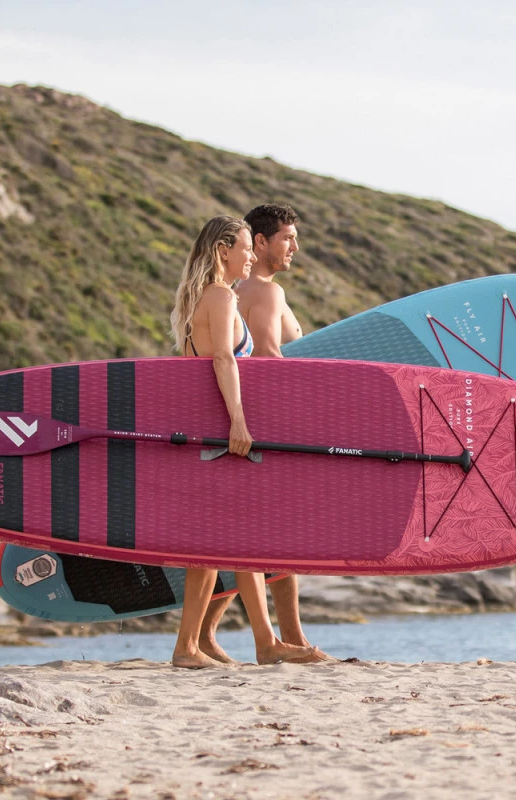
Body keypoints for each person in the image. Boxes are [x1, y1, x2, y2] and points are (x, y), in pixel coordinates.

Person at [168, 214, 316, 669]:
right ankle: (192, 648)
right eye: (245, 248)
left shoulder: (202, 297)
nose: (251, 256)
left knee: (229, 542)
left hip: (208, 430)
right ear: (222, 251)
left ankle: (249, 643)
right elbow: (223, 361)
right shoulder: (219, 296)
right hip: (221, 432)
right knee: (221, 543)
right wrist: (238, 421)